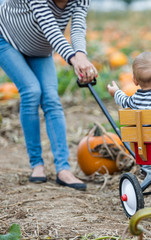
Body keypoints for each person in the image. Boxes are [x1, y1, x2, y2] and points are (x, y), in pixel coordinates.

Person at [0, 0, 98, 190]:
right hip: (6, 38)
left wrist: (81, 55)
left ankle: (63, 169)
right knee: (31, 91)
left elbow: (77, 27)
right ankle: (37, 165)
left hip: (39, 49)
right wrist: (73, 59)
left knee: (52, 98)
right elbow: (50, 28)